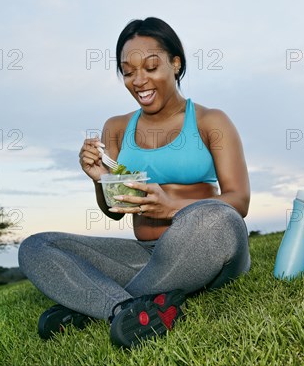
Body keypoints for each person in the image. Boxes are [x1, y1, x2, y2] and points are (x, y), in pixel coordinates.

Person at [18, 17, 251, 348]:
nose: (139, 80)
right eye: (128, 72)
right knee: (37, 247)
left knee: (215, 217)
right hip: (146, 256)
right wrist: (100, 180)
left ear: (175, 63)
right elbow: (114, 212)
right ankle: (125, 308)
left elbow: (239, 201)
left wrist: (172, 207)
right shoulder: (115, 127)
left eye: (151, 66)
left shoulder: (210, 120)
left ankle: (94, 304)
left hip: (209, 251)